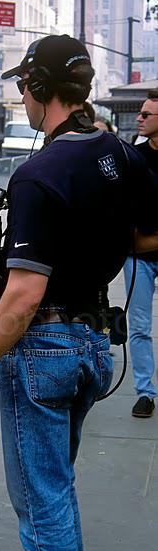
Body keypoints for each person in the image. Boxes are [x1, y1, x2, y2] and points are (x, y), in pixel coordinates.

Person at [0, 35, 158, 551]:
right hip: (92, 344)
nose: (20, 95)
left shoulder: (38, 173)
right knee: (54, 491)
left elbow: (22, 296)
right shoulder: (119, 152)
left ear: (40, 89)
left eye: (22, 85)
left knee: (42, 500)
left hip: (42, 350)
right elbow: (146, 237)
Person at [123, 89, 158, 417]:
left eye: (147, 115)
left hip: (147, 246)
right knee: (140, 326)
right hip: (138, 257)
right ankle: (146, 391)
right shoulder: (135, 157)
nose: (140, 119)